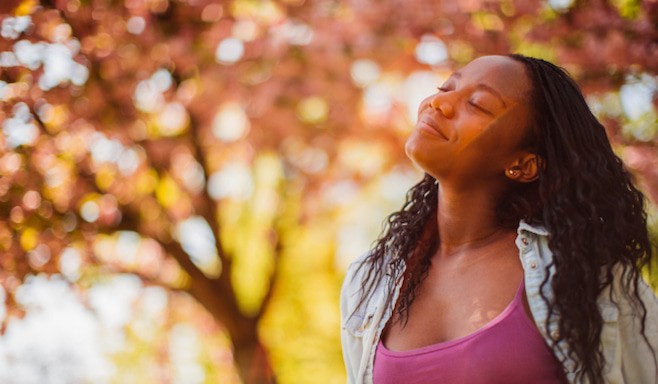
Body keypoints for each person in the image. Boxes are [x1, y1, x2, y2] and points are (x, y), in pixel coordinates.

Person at [340, 54, 658, 384]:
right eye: (446, 87)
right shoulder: (369, 281)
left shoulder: (588, 273)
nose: (440, 103)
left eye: (477, 104)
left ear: (523, 164)